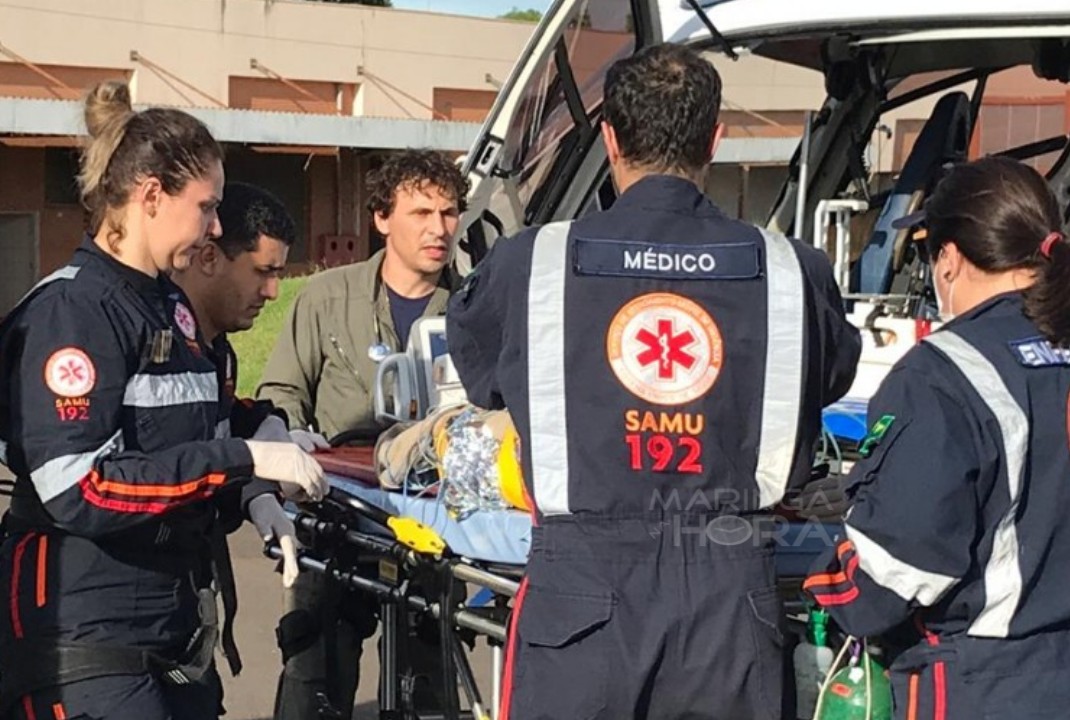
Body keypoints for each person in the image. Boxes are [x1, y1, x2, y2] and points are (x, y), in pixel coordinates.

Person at [447, 42, 861, 720]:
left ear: (608, 136)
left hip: (580, 594)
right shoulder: (796, 273)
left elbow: (483, 378)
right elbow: (832, 377)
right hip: (733, 594)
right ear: (716, 139)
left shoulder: (531, 265)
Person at [0, 81, 326, 720]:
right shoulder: (73, 310)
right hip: (87, 643)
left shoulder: (168, 308)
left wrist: (258, 469)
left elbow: (198, 419)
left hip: (169, 633)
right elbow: (80, 487)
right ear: (151, 195)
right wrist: (244, 460)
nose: (216, 226)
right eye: (207, 206)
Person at [804, 156, 1070, 719]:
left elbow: (894, 574)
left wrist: (827, 585)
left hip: (984, 684)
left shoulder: (942, 374)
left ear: (947, 258)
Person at [258, 150, 470, 720]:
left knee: (427, 690)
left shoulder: (476, 306)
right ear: (381, 217)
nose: (439, 228)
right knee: (313, 679)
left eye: (449, 213)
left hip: (439, 530)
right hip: (337, 517)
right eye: (421, 211)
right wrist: (290, 462)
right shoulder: (326, 298)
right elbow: (280, 393)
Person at [171, 181, 329, 592]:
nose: (273, 292)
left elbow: (218, 435)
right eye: (263, 272)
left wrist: (258, 476)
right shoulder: (159, 344)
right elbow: (162, 467)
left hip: (184, 586)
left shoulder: (217, 353)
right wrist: (251, 457)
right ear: (209, 257)